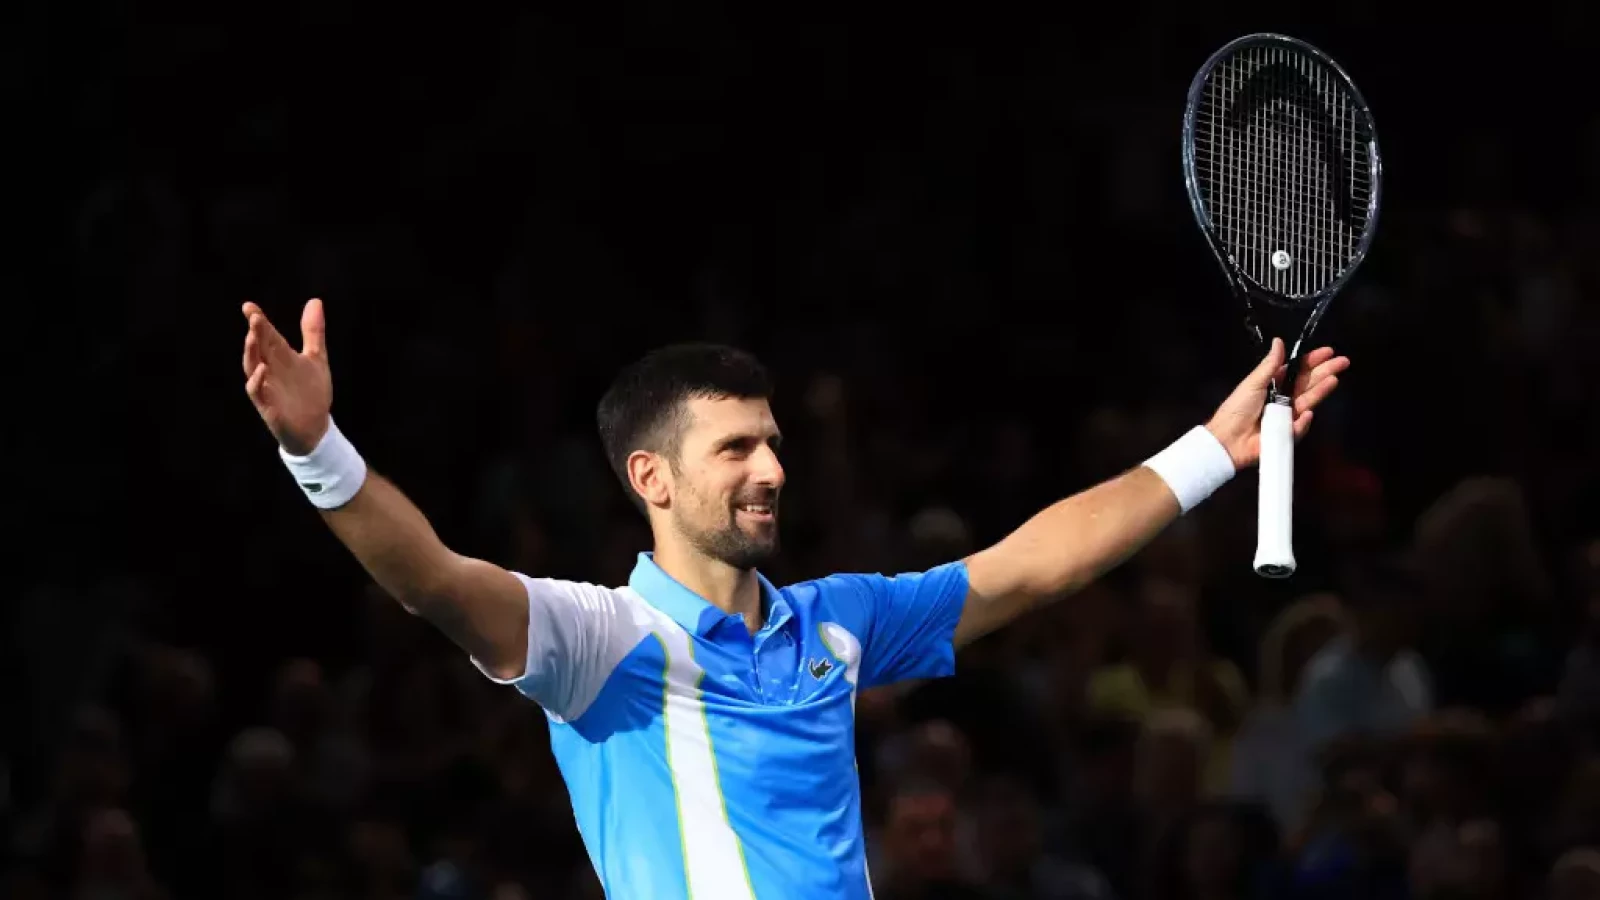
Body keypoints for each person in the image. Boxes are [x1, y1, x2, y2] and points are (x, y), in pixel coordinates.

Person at [238, 298, 1348, 899]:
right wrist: (316, 451)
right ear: (651, 479)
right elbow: (429, 580)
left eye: (771, 442)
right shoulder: (604, 644)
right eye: (734, 448)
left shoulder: (838, 620)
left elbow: (1031, 564)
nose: (770, 467)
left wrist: (1214, 449)